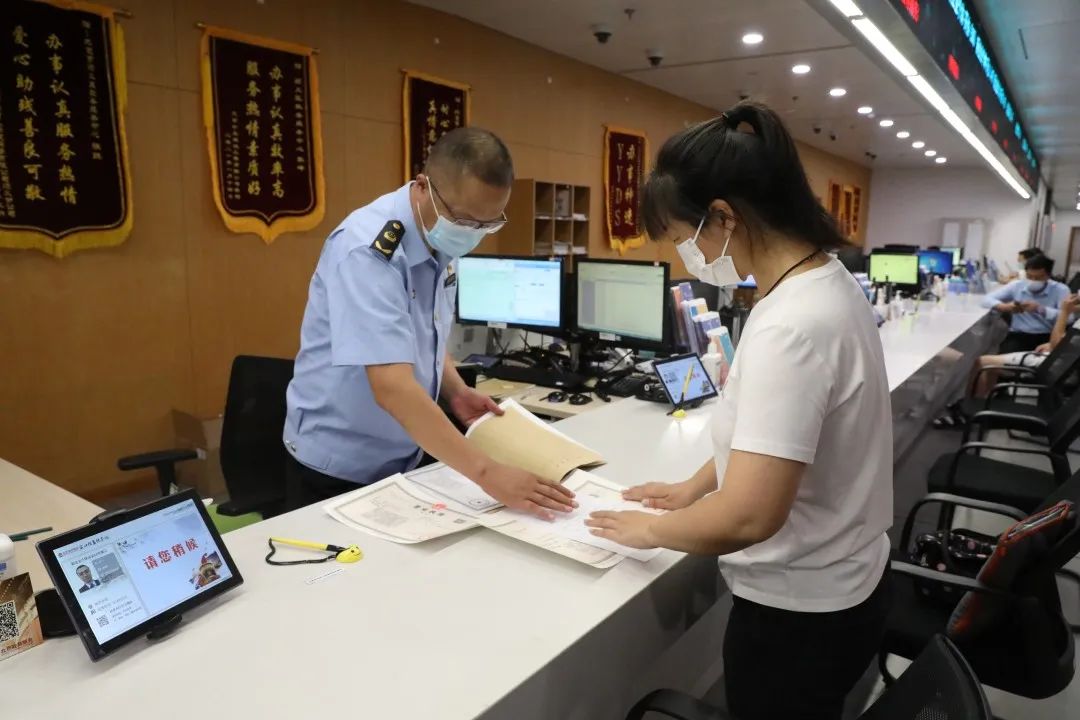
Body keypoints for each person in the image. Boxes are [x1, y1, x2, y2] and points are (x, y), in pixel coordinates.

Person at [585, 101, 893, 720]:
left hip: (800, 616)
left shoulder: (792, 326)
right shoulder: (823, 281)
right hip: (847, 585)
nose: (684, 257)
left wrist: (649, 531)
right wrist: (695, 487)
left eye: (682, 237)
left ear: (724, 216)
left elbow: (752, 515)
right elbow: (777, 437)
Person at [283, 128, 575, 519]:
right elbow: (391, 386)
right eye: (465, 220)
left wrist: (455, 391)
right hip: (339, 465)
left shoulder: (439, 236)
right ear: (423, 186)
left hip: (404, 453)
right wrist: (487, 473)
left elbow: (424, 336)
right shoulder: (368, 250)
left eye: (488, 225)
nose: (472, 235)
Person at [932, 293, 1080, 428]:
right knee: (991, 364)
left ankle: (966, 414)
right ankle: (976, 406)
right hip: (1059, 358)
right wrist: (1051, 344)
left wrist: (1064, 312)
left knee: (983, 362)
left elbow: (1059, 344)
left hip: (1057, 366)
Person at [982, 253, 1069, 354]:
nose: (1033, 281)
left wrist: (1041, 309)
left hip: (1047, 336)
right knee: (1003, 358)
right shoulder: (1017, 285)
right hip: (1018, 335)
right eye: (1029, 276)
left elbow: (1069, 318)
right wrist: (1004, 307)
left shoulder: (1060, 290)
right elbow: (986, 299)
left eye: (1038, 278)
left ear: (1048, 276)